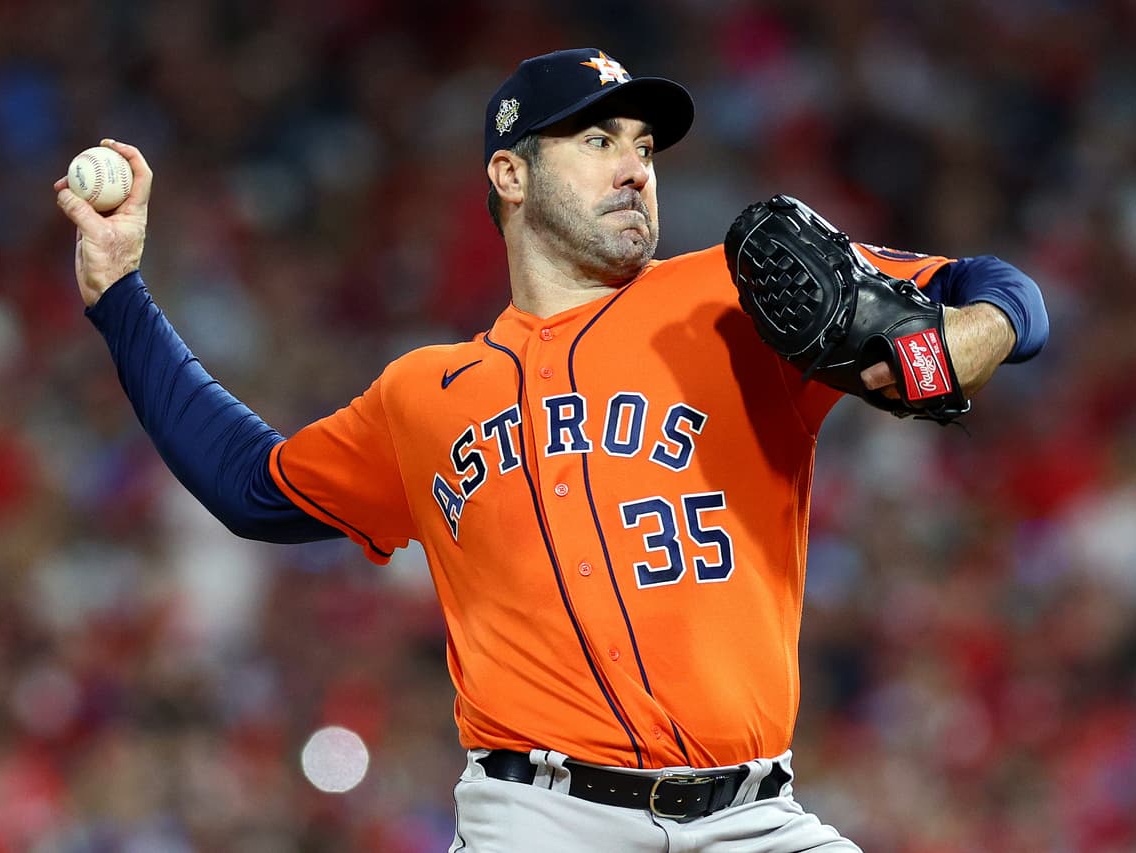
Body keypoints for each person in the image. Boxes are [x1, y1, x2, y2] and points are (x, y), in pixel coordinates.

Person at [55, 47, 1047, 853]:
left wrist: (978, 329)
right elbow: (251, 490)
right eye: (596, 138)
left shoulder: (732, 297)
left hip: (751, 818)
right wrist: (120, 299)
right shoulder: (426, 393)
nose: (633, 165)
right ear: (509, 172)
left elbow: (992, 284)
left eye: (644, 146)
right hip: (538, 820)